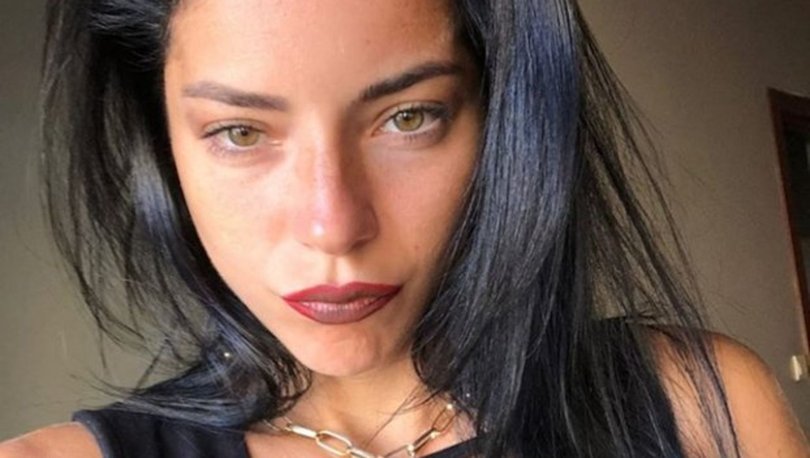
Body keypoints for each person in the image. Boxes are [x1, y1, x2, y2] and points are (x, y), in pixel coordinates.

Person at [1, 0, 808, 456]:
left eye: (409, 117)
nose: (332, 226)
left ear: (501, 119)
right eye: (240, 132)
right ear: (164, 144)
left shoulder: (702, 411)